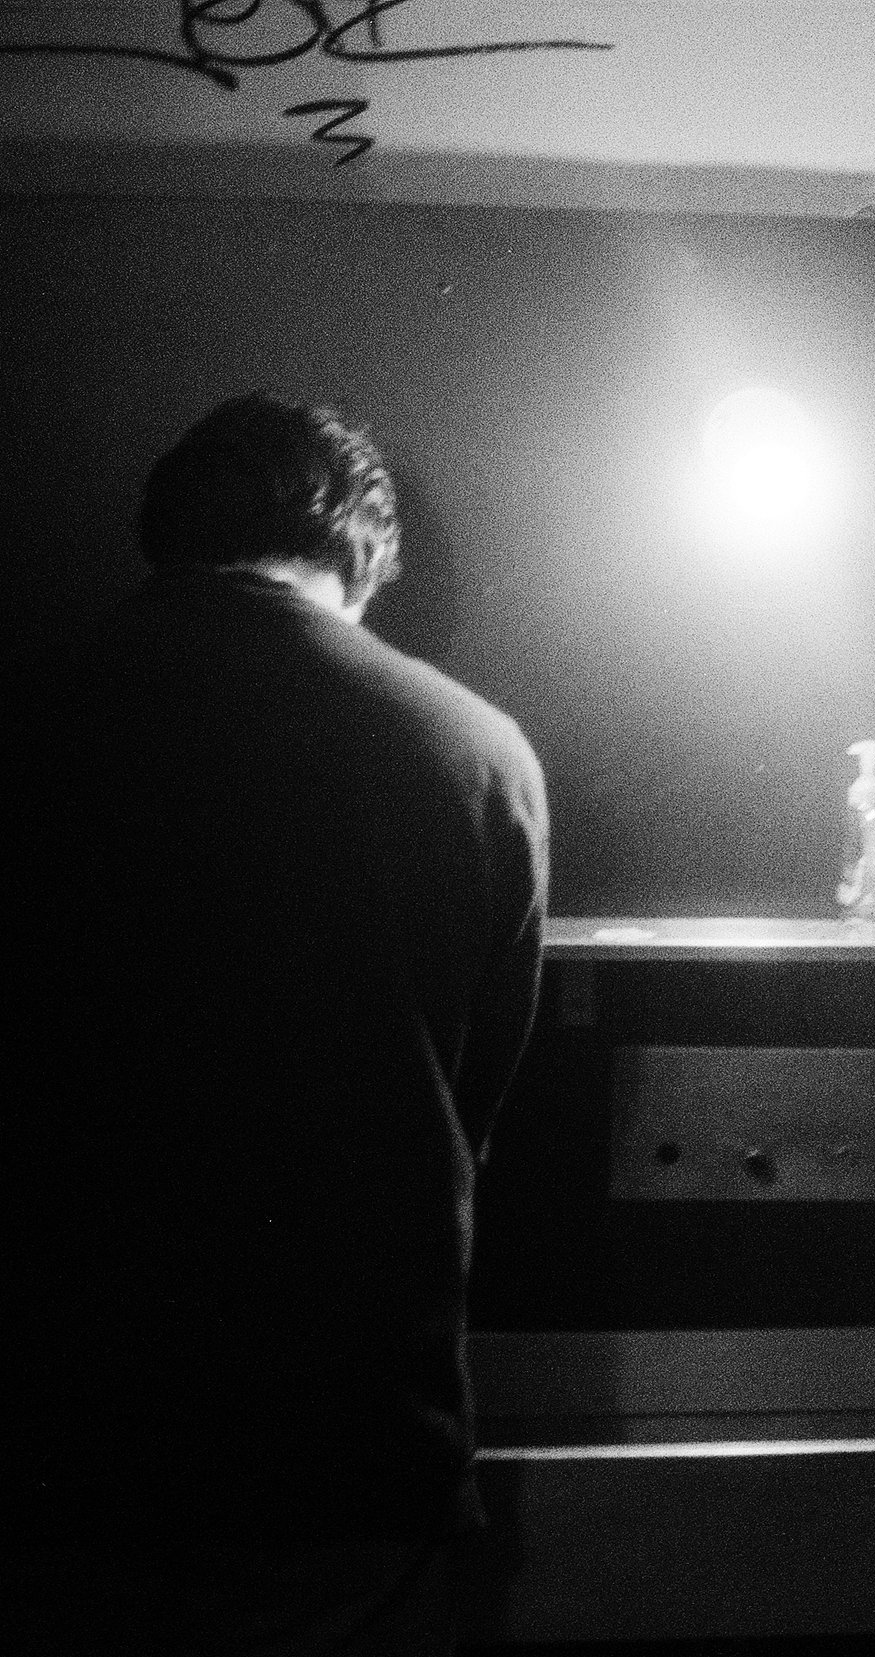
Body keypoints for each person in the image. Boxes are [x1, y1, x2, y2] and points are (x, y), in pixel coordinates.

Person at [9, 393, 550, 1653]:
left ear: (166, 532)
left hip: (60, 1444)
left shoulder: (32, 713)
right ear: (363, 551)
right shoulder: (476, 752)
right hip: (347, 1446)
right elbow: (476, 1098)